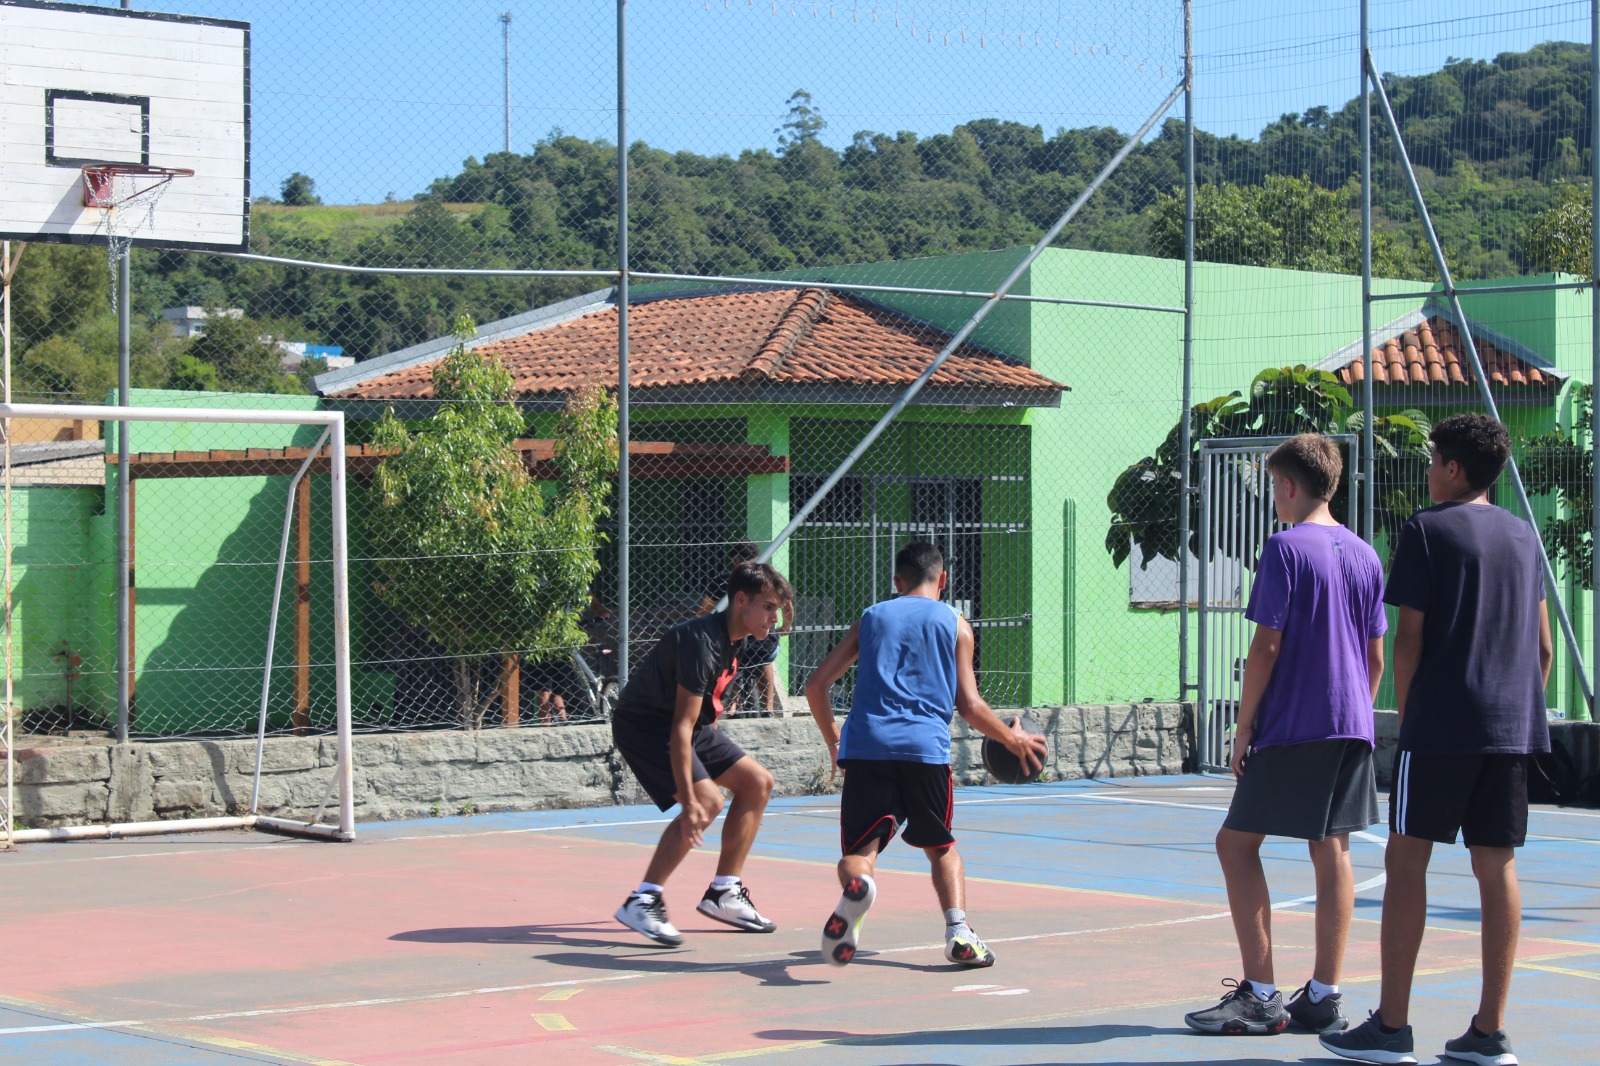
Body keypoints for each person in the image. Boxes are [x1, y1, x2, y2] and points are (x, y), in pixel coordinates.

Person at [1322, 413, 1551, 1066]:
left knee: (1406, 861)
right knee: (1496, 863)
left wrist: (1410, 712)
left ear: (1453, 469)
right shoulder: (1522, 536)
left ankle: (1392, 1026)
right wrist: (1516, 705)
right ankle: (1489, 1032)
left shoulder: (1426, 530)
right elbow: (1541, 647)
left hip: (1444, 722)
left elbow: (1409, 638)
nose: (1428, 472)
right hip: (1512, 726)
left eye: (1433, 461)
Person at [1184, 434, 1387, 1038]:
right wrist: (1355, 713)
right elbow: (1374, 659)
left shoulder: (1284, 547)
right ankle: (1322, 995)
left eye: (1274, 486)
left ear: (1291, 486)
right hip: (1353, 724)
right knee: (1333, 848)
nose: (1274, 497)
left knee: (1235, 845)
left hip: (1296, 723)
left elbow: (1265, 647)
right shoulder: (1365, 554)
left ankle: (1262, 996)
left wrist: (1244, 728)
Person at [804, 541, 1045, 969]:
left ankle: (858, 888)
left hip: (867, 749)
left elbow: (816, 684)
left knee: (860, 853)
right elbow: (969, 705)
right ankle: (959, 934)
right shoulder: (956, 623)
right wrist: (1013, 741)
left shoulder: (873, 617)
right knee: (942, 847)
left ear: (897, 583)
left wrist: (833, 740)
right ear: (943, 579)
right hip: (924, 751)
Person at [612, 561, 794, 947]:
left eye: (776, 610)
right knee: (707, 802)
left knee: (758, 783)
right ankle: (643, 899)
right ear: (740, 600)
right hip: (646, 724)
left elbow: (701, 720)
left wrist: (780, 609)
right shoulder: (701, 640)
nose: (773, 618)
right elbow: (679, 725)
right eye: (768, 607)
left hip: (689, 727)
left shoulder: (737, 638)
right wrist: (691, 796)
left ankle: (724, 892)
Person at [699, 541, 783, 716]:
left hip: (731, 637)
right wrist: (786, 625)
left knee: (733, 661)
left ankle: (731, 708)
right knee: (766, 661)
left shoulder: (723, 580)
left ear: (734, 560)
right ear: (757, 558)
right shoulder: (767, 579)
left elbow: (704, 610)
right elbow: (788, 606)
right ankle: (768, 708)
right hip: (761, 639)